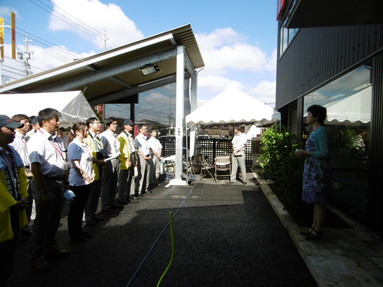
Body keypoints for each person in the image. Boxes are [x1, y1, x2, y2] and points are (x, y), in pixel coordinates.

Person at [28, 108, 71, 271]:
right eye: (55, 119)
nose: (58, 122)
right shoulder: (38, 139)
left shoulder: (56, 139)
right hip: (45, 183)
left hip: (57, 182)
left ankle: (50, 248)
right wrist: (44, 191)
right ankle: (36, 256)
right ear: (45, 122)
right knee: (42, 222)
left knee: (54, 220)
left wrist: (64, 182)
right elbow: (35, 167)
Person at [0, 115, 29, 287]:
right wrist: (12, 202)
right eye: (9, 129)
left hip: (14, 206)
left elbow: (20, 173)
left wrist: (23, 195)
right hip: (4, 208)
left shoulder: (11, 150)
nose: (13, 133)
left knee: (10, 248)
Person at [295, 105, 331, 241]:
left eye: (309, 114)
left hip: (319, 171)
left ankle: (318, 230)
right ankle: (314, 228)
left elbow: (325, 152)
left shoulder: (321, 131)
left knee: (320, 201)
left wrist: (305, 152)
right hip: (314, 170)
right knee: (316, 201)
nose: (306, 116)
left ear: (316, 117)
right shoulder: (316, 130)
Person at [67, 123, 95, 243]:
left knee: (81, 207)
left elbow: (89, 161)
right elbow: (76, 164)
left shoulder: (85, 144)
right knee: (75, 209)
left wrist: (92, 173)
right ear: (78, 132)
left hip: (86, 181)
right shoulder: (74, 145)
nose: (87, 132)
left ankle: (79, 231)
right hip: (78, 182)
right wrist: (85, 176)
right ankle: (75, 235)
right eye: (85, 130)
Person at [83, 117, 105, 225]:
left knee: (96, 193)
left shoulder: (98, 137)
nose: (99, 125)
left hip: (99, 167)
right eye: (96, 123)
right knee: (90, 194)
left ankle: (93, 213)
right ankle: (88, 216)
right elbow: (88, 154)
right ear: (90, 125)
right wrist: (97, 160)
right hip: (92, 168)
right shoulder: (87, 137)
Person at [99, 117, 121, 212]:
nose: (115, 125)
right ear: (108, 125)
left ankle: (112, 201)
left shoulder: (114, 135)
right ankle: (105, 204)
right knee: (107, 183)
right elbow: (102, 148)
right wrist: (105, 160)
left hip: (116, 158)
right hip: (109, 159)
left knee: (114, 182)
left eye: (116, 124)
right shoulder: (104, 135)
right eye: (113, 124)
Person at [117, 119, 137, 204]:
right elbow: (121, 150)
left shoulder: (129, 135)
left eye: (132, 125)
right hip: (125, 159)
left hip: (131, 156)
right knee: (123, 179)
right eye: (129, 125)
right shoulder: (122, 136)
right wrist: (126, 159)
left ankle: (127, 195)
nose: (131, 126)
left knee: (130, 178)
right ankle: (121, 197)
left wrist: (134, 159)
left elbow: (132, 148)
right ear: (125, 126)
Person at [135, 124, 151, 195]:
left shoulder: (145, 138)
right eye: (144, 129)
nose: (145, 130)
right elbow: (138, 149)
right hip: (142, 157)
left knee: (147, 173)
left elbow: (147, 148)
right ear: (140, 130)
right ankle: (139, 189)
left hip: (148, 156)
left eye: (146, 129)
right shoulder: (138, 138)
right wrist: (144, 156)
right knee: (141, 173)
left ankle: (145, 188)